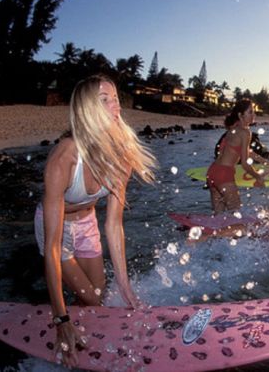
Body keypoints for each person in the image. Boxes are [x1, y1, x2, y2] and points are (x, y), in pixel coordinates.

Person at [34, 74, 156, 367]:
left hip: (87, 225)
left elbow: (113, 224)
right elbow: (51, 246)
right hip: (56, 229)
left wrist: (126, 287)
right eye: (105, 100)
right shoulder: (64, 157)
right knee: (90, 296)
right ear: (87, 109)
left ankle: (79, 321)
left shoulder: (122, 155)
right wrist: (60, 319)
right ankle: (66, 323)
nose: (115, 106)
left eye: (115, 99)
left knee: (97, 297)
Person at [206, 98, 269, 213]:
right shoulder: (245, 132)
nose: (253, 115)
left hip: (212, 172)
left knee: (219, 216)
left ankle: (213, 228)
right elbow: (245, 164)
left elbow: (243, 151)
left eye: (253, 111)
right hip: (224, 174)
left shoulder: (233, 128)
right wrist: (258, 177)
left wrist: (263, 161)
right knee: (235, 214)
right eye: (250, 112)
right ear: (241, 115)